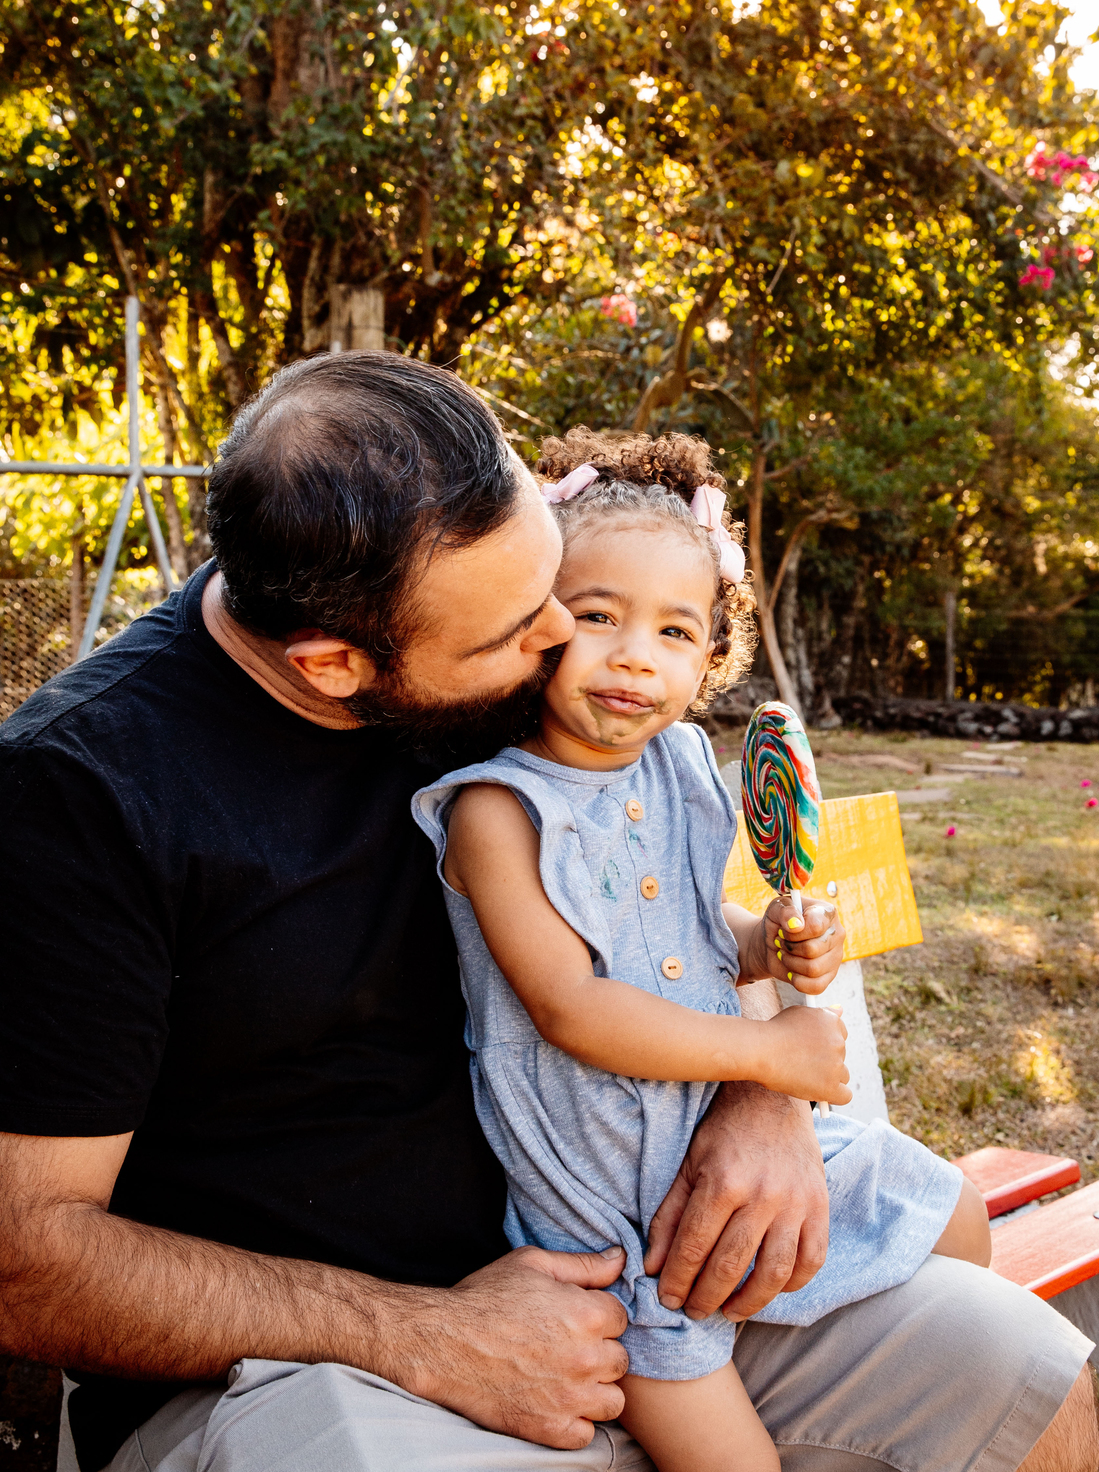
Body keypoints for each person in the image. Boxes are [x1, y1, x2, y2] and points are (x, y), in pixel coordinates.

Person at [0, 355, 1099, 1472]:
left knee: (1014, 1368)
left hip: (653, 1248)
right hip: (324, 1368)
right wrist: (421, 1334)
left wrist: (763, 1098)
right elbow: (21, 1268)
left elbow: (713, 890)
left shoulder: (504, 631)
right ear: (335, 666)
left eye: (552, 590)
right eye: (520, 629)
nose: (561, 643)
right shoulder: (78, 796)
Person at [413, 430, 995, 1472]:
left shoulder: (681, 761)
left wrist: (765, 943)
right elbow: (571, 1005)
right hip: (615, 1216)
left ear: (708, 658)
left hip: (717, 1135)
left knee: (956, 1214)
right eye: (599, 616)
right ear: (538, 622)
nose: (636, 655)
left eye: (676, 630)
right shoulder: (498, 810)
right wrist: (767, 1056)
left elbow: (690, 931)